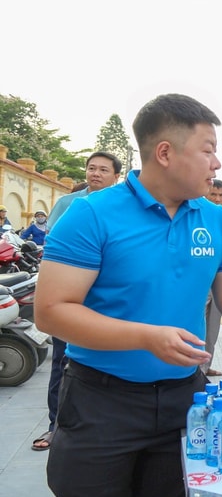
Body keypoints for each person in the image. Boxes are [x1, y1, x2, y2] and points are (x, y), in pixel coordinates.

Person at [33, 93, 222, 497]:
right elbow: (52, 310)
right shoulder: (92, 215)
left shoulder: (214, 220)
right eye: (207, 149)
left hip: (180, 399)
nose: (216, 163)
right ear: (165, 153)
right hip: (101, 402)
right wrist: (146, 336)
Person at [31, 152, 123, 452]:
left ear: (115, 176)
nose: (95, 173)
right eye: (91, 168)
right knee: (62, 362)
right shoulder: (69, 205)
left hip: (108, 303)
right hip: (71, 300)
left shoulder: (126, 208)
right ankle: (55, 426)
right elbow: (53, 249)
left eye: (103, 170)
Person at [201, 178, 222, 377]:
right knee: (199, 324)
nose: (217, 199)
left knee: (213, 327)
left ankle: (205, 365)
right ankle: (195, 369)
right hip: (200, 281)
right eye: (213, 194)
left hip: (220, 281)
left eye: (221, 196)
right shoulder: (197, 217)